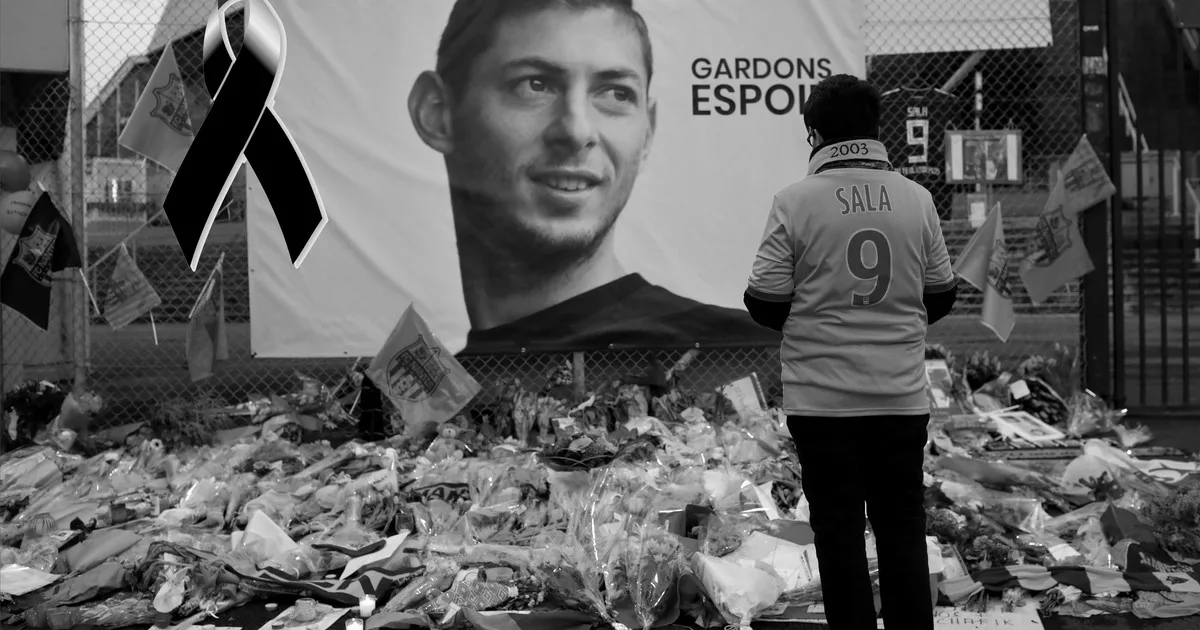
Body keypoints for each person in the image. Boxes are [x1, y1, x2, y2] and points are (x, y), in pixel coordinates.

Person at [407, 0, 778, 354]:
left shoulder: (753, 361)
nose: (576, 131)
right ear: (437, 113)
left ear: (647, 134)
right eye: (534, 85)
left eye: (616, 93)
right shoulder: (418, 390)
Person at [743, 74, 958, 630]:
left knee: (837, 532)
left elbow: (764, 300)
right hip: (898, 396)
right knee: (902, 526)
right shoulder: (916, 199)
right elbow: (941, 294)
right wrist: (891, 324)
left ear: (814, 133)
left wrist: (819, 320)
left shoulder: (794, 201)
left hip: (822, 402)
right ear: (874, 128)